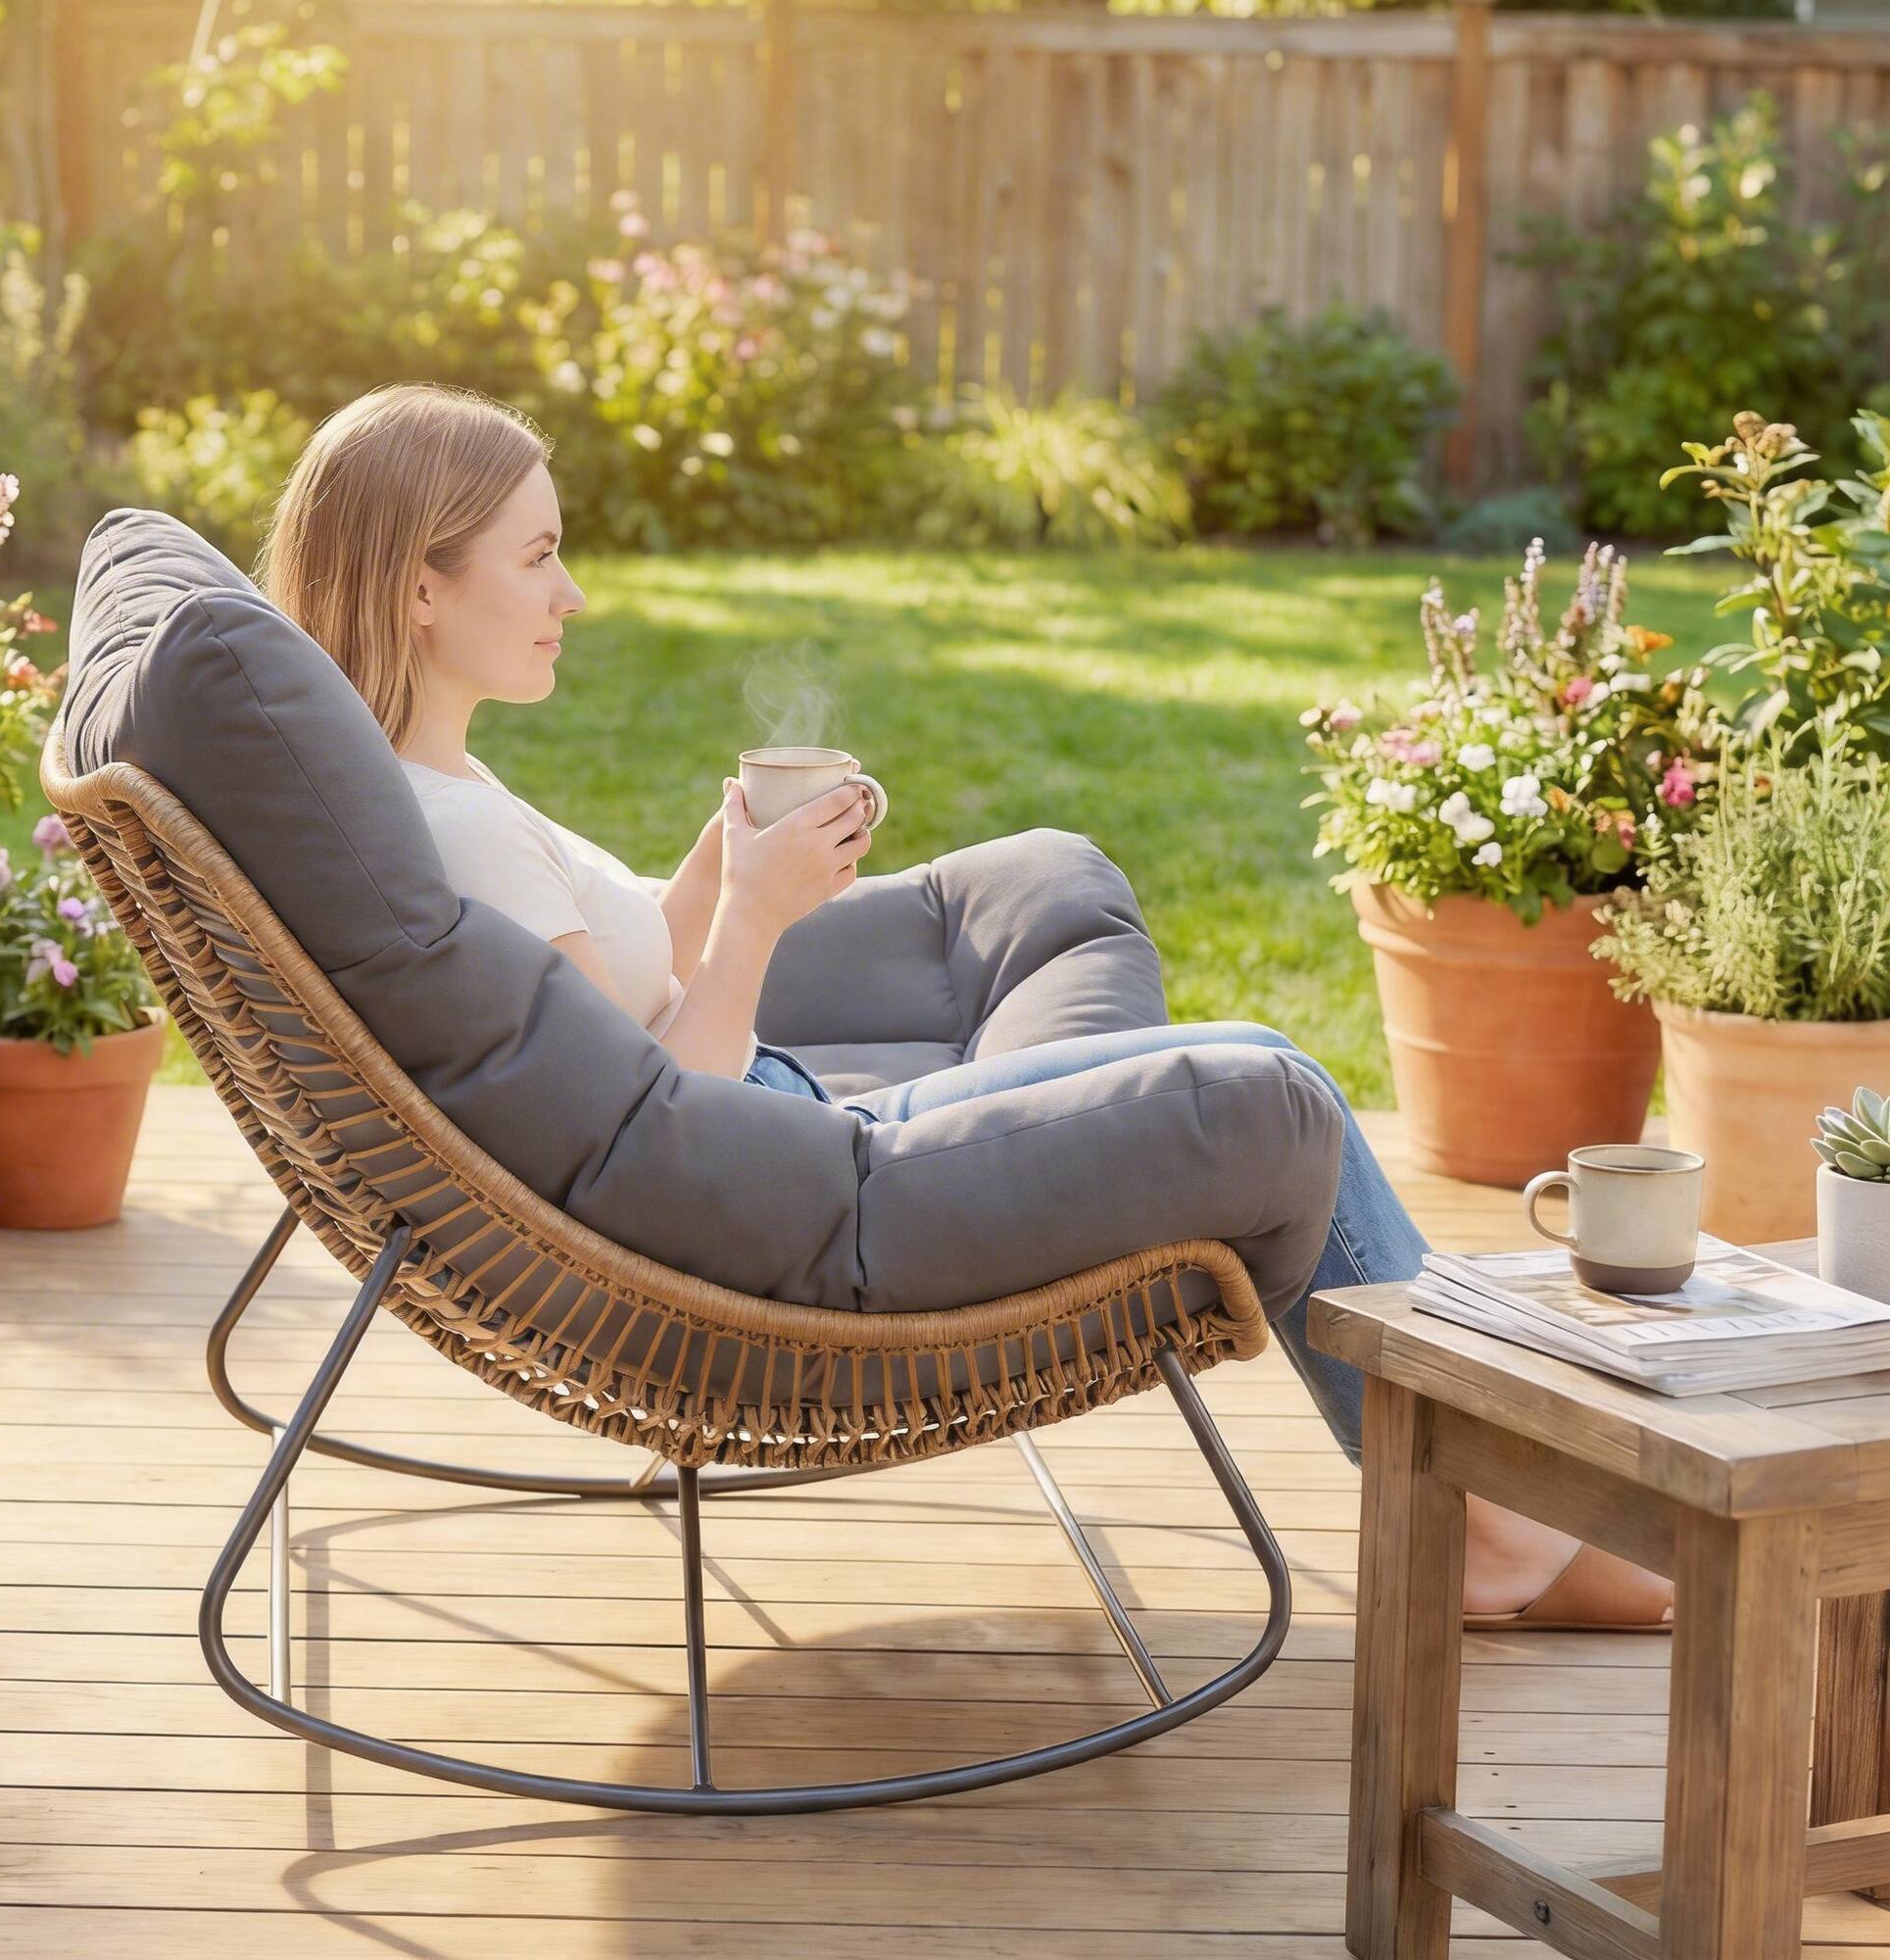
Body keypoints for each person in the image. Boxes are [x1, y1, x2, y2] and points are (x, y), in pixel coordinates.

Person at [256, 379, 1672, 1633]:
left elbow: (614, 1025)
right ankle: (1500, 1536)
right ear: (422, 588)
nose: (573, 593)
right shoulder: (458, 835)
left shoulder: (429, 795)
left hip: (774, 1160)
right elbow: (657, 1125)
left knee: (1193, 1020)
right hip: (795, 1204)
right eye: (541, 555)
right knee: (1279, 1103)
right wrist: (754, 916)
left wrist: (716, 866)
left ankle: (1496, 1518)